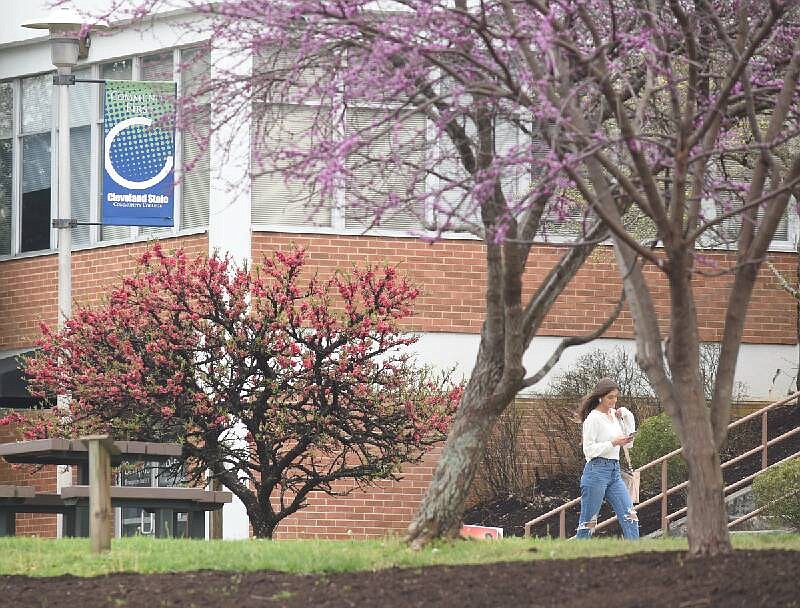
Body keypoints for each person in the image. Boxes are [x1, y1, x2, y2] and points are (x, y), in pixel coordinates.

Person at [575, 377, 639, 539]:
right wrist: (613, 443)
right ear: (600, 397)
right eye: (610, 397)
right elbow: (588, 450)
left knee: (630, 515)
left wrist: (627, 416)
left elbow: (628, 442)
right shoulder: (593, 419)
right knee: (588, 523)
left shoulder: (614, 415)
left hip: (614, 471)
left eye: (616, 397)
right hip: (596, 471)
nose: (614, 400)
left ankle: (638, 555)